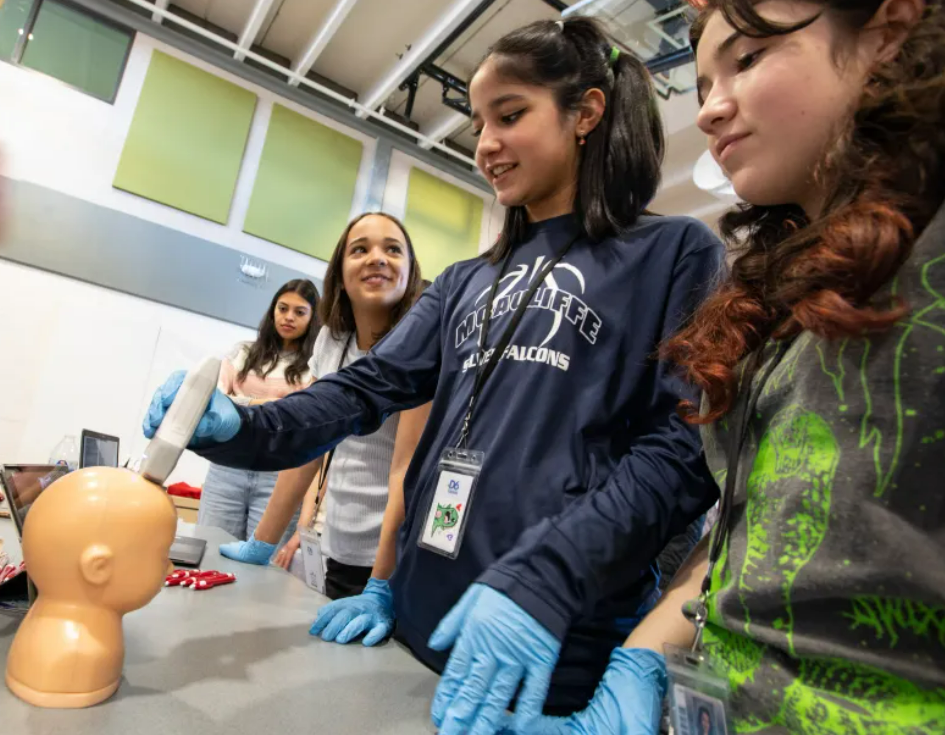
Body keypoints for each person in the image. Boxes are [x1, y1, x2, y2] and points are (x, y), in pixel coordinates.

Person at [143, 17, 725, 734]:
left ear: (586, 113)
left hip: (547, 642)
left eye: (509, 115)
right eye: (478, 122)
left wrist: (555, 571)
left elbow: (681, 449)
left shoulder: (671, 252)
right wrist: (244, 426)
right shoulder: (460, 283)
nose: (484, 144)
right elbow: (360, 391)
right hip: (420, 619)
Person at [531, 0, 945, 732]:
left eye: (748, 59)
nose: (713, 110)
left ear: (884, 32)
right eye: (700, 85)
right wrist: (644, 657)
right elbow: (748, 535)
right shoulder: (774, 300)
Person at [218, 213, 431, 601]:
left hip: (392, 562)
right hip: (340, 549)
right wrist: (263, 542)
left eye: (393, 249)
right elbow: (307, 446)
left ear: (410, 270)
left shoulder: (420, 346)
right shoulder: (333, 341)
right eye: (360, 249)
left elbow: (405, 469)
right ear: (340, 272)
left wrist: (380, 584)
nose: (377, 258)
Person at [196, 279, 319, 545]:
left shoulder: (314, 369)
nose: (288, 317)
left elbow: (301, 418)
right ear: (273, 310)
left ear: (312, 319)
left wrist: (241, 401)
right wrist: (265, 404)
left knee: (261, 568)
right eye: (282, 308)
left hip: (279, 477)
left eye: (300, 312)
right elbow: (216, 400)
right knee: (209, 553)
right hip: (226, 467)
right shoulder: (243, 352)